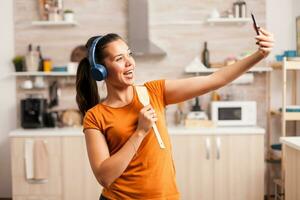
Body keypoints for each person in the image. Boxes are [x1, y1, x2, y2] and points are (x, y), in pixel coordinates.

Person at [76, 29, 274, 200]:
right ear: (100, 71)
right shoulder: (95, 116)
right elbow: (104, 176)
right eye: (119, 59)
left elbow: (216, 79)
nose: (130, 63)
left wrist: (259, 55)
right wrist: (139, 133)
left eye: (129, 54)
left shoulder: (154, 91)